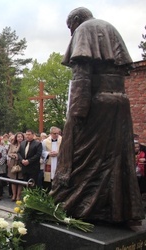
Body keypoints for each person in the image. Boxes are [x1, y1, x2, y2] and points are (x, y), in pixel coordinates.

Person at [50, 7, 144, 224]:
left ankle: (76, 206)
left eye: (69, 28)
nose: (71, 33)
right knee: (114, 157)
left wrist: (77, 112)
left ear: (75, 20)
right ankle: (116, 211)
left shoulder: (84, 29)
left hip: (96, 102)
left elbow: (81, 74)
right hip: (119, 102)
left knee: (81, 155)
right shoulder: (110, 29)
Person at [41, 127, 61, 191]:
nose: (57, 135)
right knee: (48, 180)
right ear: (51, 133)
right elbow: (42, 151)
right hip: (49, 162)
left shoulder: (63, 140)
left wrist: (58, 153)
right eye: (55, 133)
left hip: (59, 161)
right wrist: (48, 153)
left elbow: (66, 150)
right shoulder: (45, 141)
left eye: (58, 133)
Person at [7, 132, 24, 201]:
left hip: (21, 163)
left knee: (20, 179)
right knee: (13, 180)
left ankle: (18, 195)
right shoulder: (12, 145)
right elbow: (9, 153)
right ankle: (13, 195)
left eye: (21, 137)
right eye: (18, 137)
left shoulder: (25, 145)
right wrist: (14, 155)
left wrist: (19, 157)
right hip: (13, 163)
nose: (20, 138)